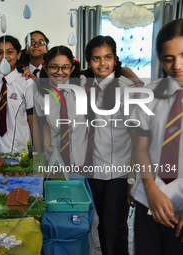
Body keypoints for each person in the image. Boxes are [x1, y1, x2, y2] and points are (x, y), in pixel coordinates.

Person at [131, 18, 183, 254]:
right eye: (169, 59)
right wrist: (151, 189)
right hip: (148, 198)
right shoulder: (150, 95)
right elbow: (141, 147)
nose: (177, 66)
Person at [82, 35, 135, 255]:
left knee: (116, 228)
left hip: (118, 172)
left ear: (115, 59)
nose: (102, 63)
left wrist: (133, 179)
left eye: (108, 57)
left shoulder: (128, 89)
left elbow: (137, 137)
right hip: (93, 169)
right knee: (102, 224)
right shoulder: (84, 86)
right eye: (96, 58)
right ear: (89, 62)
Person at [34, 46, 86, 170]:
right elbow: (44, 122)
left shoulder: (83, 84)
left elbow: (116, 69)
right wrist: (46, 146)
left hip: (80, 158)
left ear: (72, 68)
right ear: (46, 68)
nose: (59, 72)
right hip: (53, 157)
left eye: (65, 67)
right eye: (54, 67)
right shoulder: (41, 96)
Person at [0, 35, 37, 154]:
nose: (4, 57)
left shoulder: (26, 83)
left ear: (18, 55)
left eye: (9, 52)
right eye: (0, 52)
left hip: (20, 149)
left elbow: (32, 121)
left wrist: (37, 151)